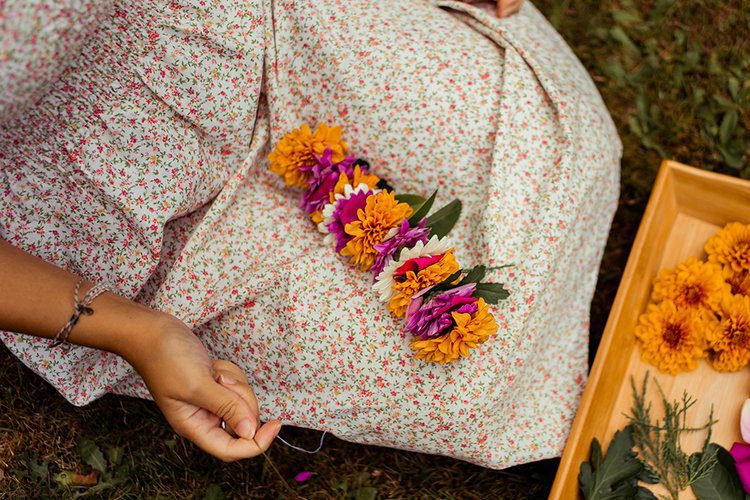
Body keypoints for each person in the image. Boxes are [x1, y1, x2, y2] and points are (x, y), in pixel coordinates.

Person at [0, 0, 621, 468]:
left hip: (268, 27)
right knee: (473, 386)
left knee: (575, 153)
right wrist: (141, 333)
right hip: (124, 197)